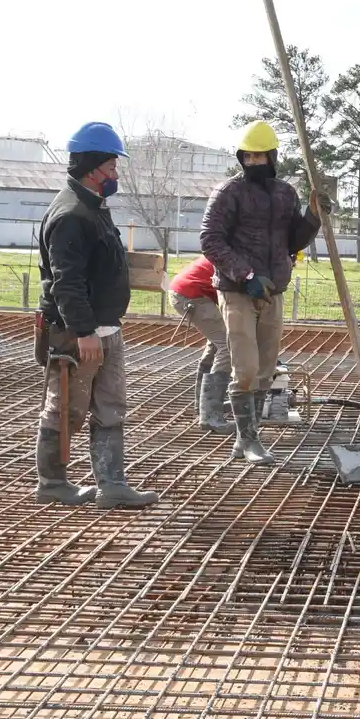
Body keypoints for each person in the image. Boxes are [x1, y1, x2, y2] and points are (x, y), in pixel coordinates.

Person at [34, 121, 157, 509]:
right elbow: (66, 281)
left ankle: (112, 484)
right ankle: (52, 483)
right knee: (67, 407)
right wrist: (84, 330)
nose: (116, 174)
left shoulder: (92, 206)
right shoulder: (71, 214)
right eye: (111, 166)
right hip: (77, 332)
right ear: (92, 168)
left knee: (110, 404)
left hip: (106, 327)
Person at [199, 120, 325, 465]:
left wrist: (313, 217)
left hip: (273, 291)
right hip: (237, 291)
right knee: (246, 368)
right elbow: (210, 240)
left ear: (272, 157)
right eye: (248, 156)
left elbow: (292, 241)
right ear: (241, 157)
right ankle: (249, 440)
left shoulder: (285, 193)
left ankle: (246, 440)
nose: (253, 162)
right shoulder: (228, 193)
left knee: (266, 369)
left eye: (259, 156)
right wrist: (246, 274)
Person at [169, 254, 231, 434]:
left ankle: (202, 406)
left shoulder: (236, 249)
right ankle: (210, 415)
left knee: (217, 342)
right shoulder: (244, 256)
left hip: (187, 291)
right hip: (191, 295)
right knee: (227, 346)